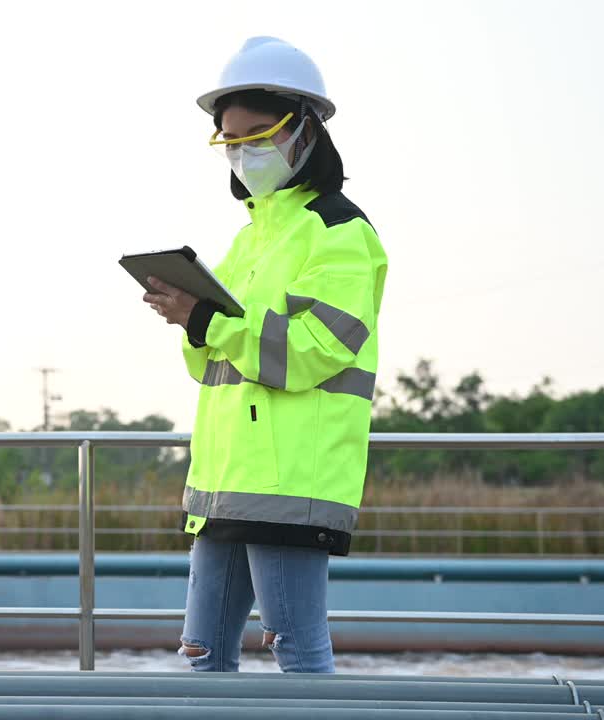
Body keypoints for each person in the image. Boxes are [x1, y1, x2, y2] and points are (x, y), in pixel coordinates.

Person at [142, 36, 388, 673]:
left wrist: (206, 321)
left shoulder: (340, 232)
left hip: (290, 481)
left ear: (306, 129)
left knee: (297, 652)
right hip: (224, 481)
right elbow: (210, 366)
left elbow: (310, 354)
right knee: (201, 656)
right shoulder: (251, 237)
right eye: (230, 140)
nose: (242, 151)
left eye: (258, 134)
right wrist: (191, 322)